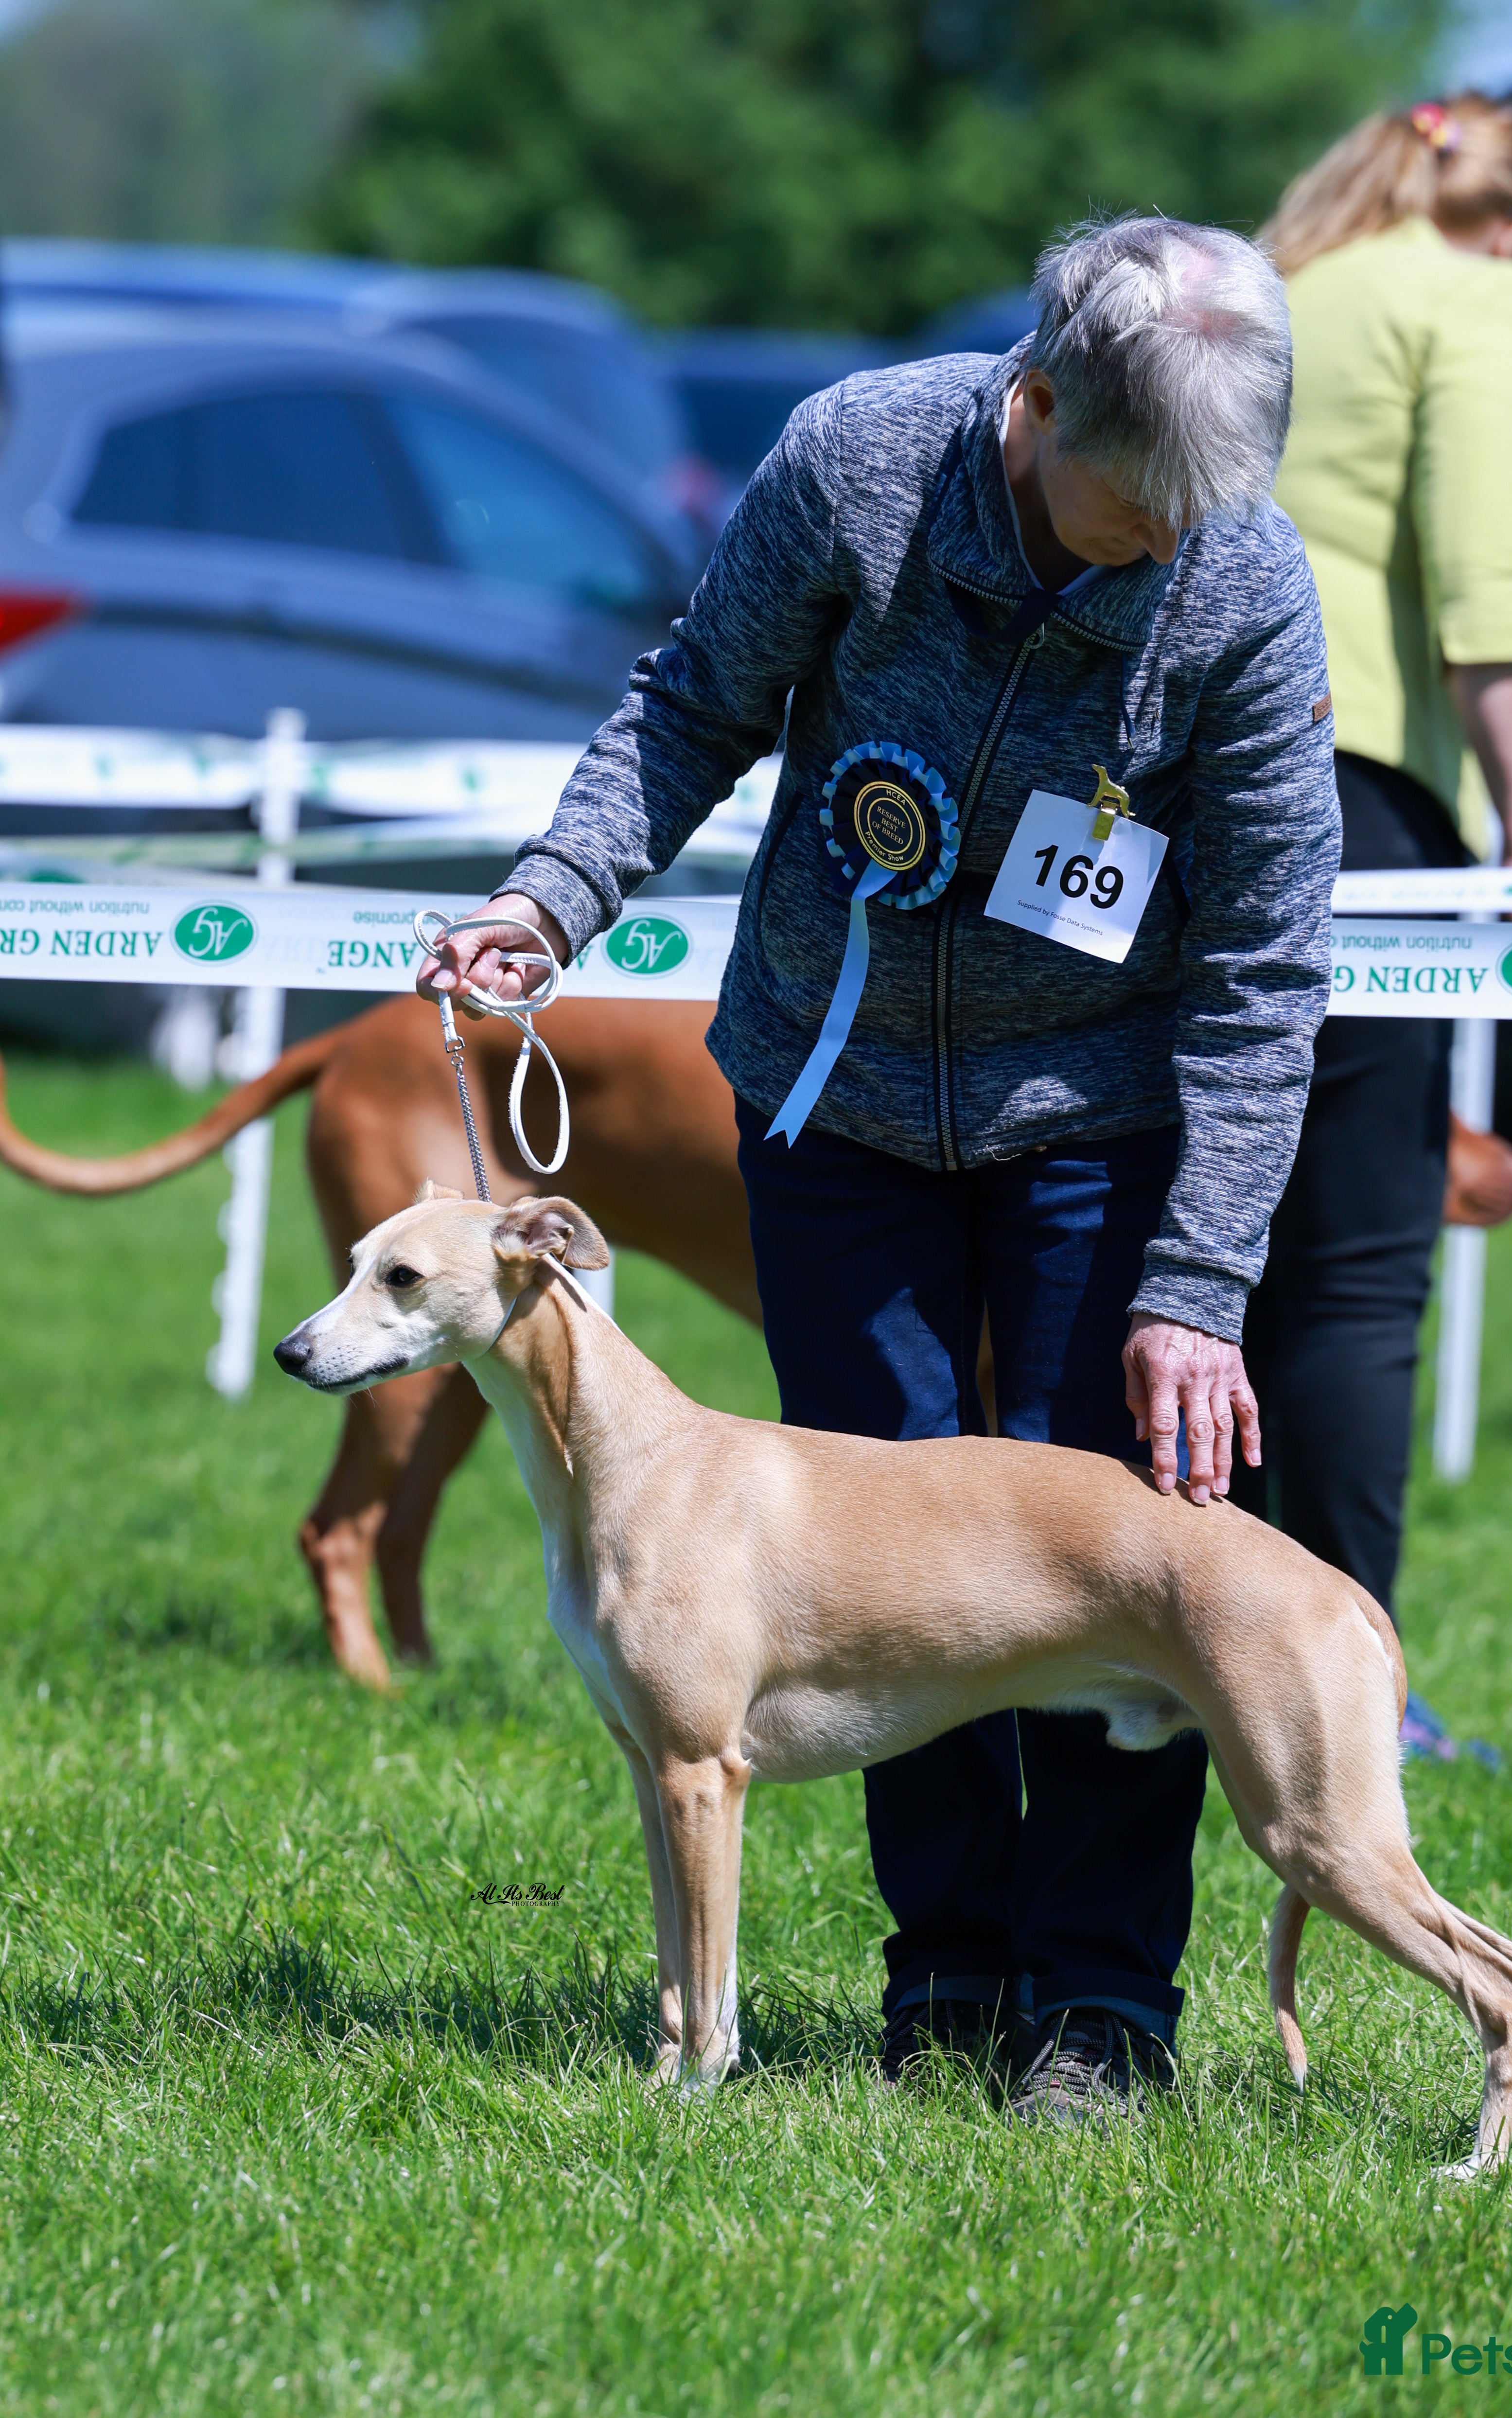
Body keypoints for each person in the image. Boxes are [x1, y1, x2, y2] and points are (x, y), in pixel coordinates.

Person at [420, 215, 1340, 2120]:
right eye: (1136, 491)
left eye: (1202, 502)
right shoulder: (855, 459)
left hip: (1098, 1121)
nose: (1171, 534)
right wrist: (550, 896)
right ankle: (950, 1987)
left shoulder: (1242, 577)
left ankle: (1101, 2014)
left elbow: (1263, 973)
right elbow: (691, 704)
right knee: (877, 1577)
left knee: (1113, 1572)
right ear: (1037, 398)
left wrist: (1196, 1287)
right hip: (832, 1108)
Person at [1237, 94, 1512, 1751]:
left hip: (1171, 791)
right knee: (1357, 1281)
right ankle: (1354, 1700)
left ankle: (1164, 1648)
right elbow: (1492, 571)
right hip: (1360, 796)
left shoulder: (1281, 277)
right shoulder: (1486, 302)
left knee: (1198, 1242)